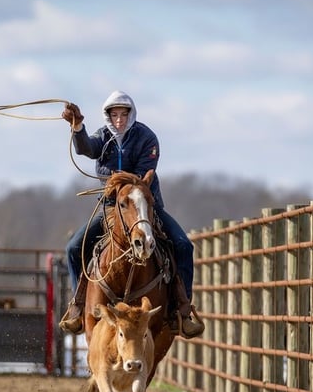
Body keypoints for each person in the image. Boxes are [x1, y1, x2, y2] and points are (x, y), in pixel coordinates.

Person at [58, 90, 204, 339]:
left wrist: (118, 180)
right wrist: (78, 126)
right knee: (74, 248)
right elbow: (86, 148)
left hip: (147, 207)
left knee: (182, 245)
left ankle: (182, 308)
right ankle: (78, 305)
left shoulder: (147, 138)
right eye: (114, 115)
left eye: (123, 115)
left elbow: (142, 178)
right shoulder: (103, 137)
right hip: (111, 209)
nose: (119, 120)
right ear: (108, 117)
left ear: (130, 114)